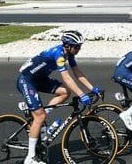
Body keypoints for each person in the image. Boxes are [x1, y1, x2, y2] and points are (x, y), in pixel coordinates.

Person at [17, 30, 101, 164]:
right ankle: (30, 158)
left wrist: (92, 88)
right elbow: (67, 78)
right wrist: (81, 94)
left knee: (65, 92)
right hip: (27, 81)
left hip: (40, 79)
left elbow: (77, 73)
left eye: (80, 46)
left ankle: (42, 115)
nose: (79, 49)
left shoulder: (69, 54)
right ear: (67, 46)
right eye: (77, 46)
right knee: (40, 117)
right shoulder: (59, 54)